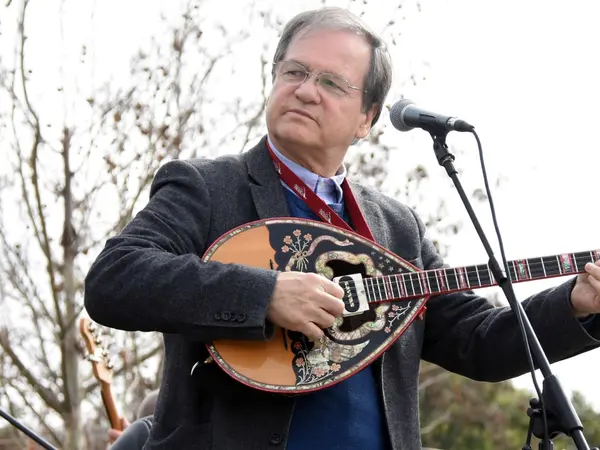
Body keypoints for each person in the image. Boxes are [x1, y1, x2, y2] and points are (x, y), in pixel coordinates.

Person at [84, 7, 600, 450]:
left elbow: (477, 340)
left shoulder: (397, 227)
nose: (306, 90)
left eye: (331, 83)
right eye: (294, 72)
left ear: (366, 119)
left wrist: (576, 303)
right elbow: (115, 278)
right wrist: (266, 294)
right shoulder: (208, 187)